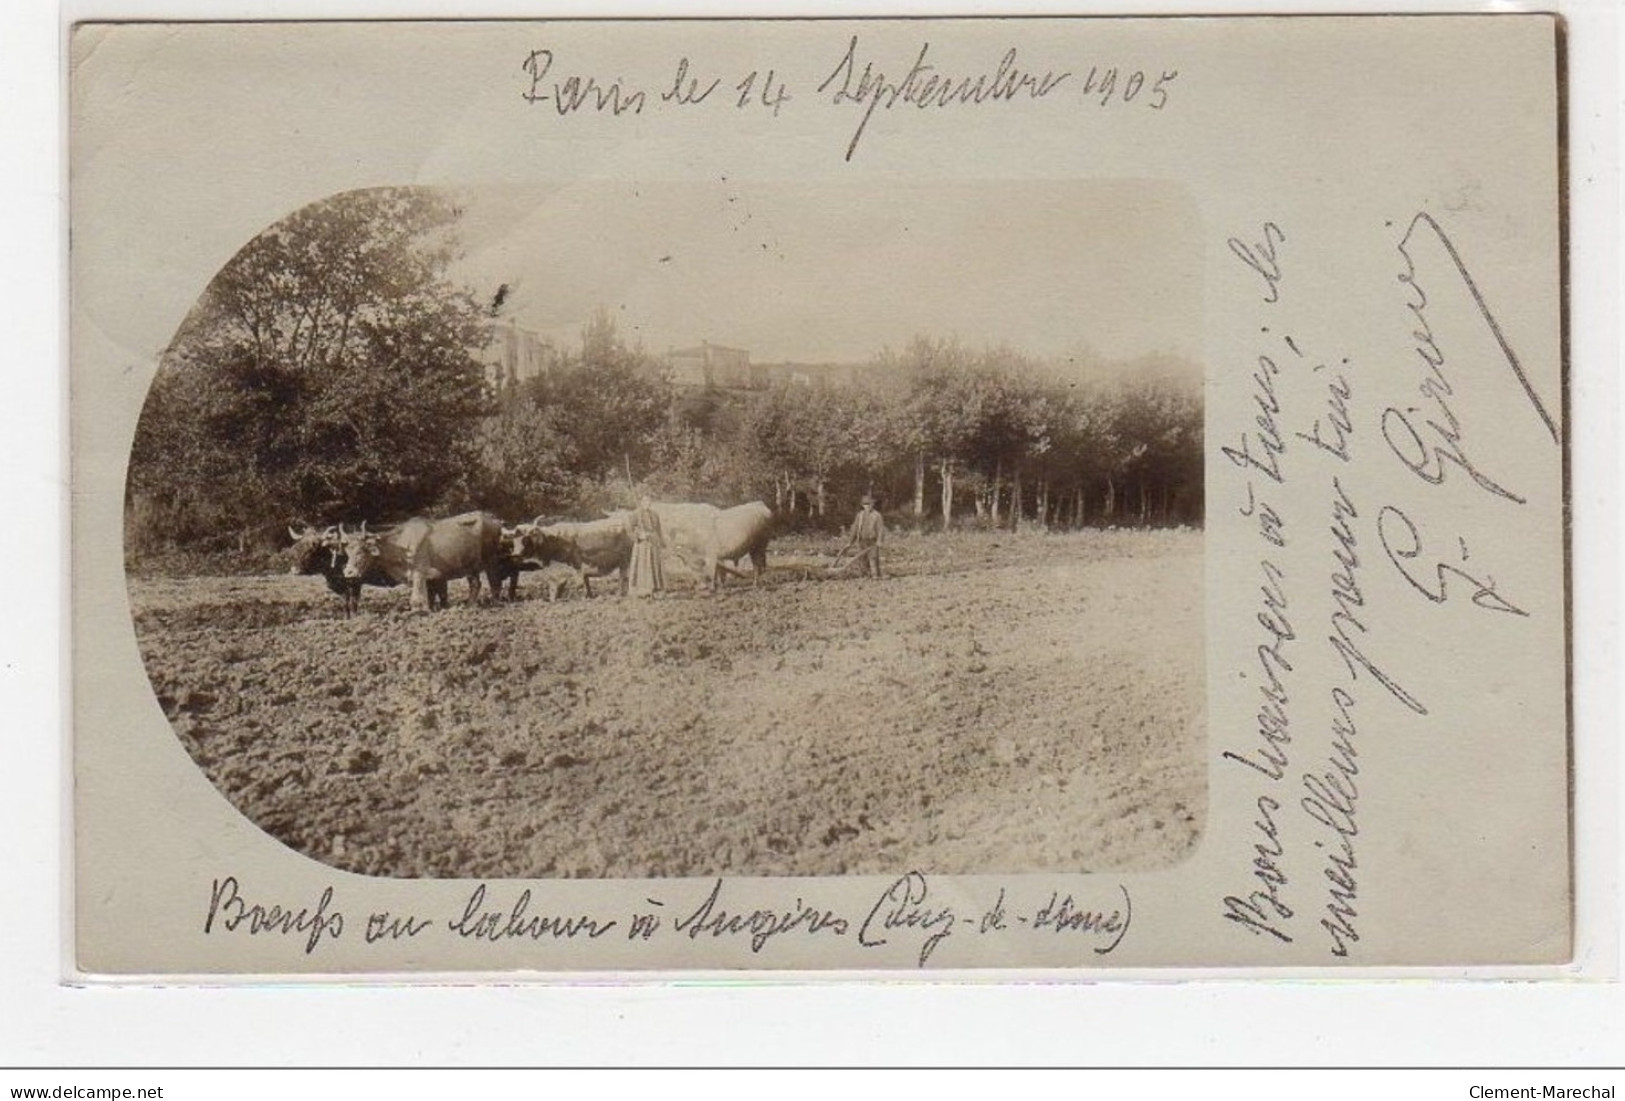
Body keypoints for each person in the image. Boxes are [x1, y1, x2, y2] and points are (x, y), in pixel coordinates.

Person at [627, 495, 665, 596]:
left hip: (653, 543)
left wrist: (661, 542)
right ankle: (641, 590)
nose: (647, 504)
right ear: (641, 502)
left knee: (654, 566)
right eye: (645, 501)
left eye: (649, 501)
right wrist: (639, 535)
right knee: (642, 566)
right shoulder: (635, 514)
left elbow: (659, 530)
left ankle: (655, 588)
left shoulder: (655, 514)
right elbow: (629, 530)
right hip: (642, 545)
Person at [843, 493, 886, 579]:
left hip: (872, 541)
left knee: (873, 558)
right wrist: (850, 542)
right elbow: (854, 529)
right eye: (865, 504)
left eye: (869, 504)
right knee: (862, 559)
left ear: (872, 505)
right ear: (862, 505)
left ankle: (875, 575)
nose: (867, 506)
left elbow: (881, 529)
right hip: (861, 540)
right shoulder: (860, 515)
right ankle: (865, 574)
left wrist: (879, 541)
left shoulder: (877, 516)